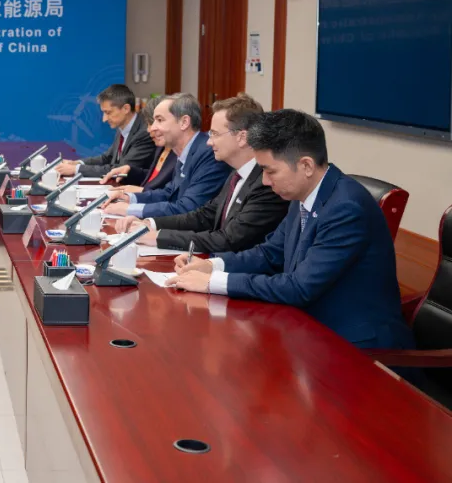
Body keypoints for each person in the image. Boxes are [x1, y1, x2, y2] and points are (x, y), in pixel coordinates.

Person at [170, 109, 414, 350]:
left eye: (270, 171)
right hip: (306, 327)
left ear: (306, 165)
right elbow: (269, 253)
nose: (265, 181)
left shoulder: (346, 208)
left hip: (355, 345)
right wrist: (212, 265)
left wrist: (213, 282)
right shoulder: (303, 194)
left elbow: (299, 287)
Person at [115, 94, 289, 253]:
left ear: (242, 137)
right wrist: (150, 223)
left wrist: (159, 237)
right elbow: (205, 215)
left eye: (215, 134)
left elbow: (229, 239)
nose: (209, 142)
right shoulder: (237, 174)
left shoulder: (265, 183)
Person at [103, 93, 230, 218]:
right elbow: (168, 193)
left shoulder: (208, 153)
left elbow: (187, 208)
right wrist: (129, 198)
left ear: (184, 122)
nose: (152, 128)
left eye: (159, 120)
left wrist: (130, 209)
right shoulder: (185, 150)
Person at [57, 84, 155, 178]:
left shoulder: (144, 133)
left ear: (126, 108)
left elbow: (120, 169)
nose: (104, 119)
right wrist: (77, 163)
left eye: (108, 113)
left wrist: (76, 169)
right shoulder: (122, 126)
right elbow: (107, 158)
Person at [101, 96, 176, 192]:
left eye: (159, 121)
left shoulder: (180, 153)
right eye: (149, 123)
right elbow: (154, 178)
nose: (149, 129)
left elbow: (172, 194)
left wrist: (141, 191)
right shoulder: (161, 147)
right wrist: (130, 171)